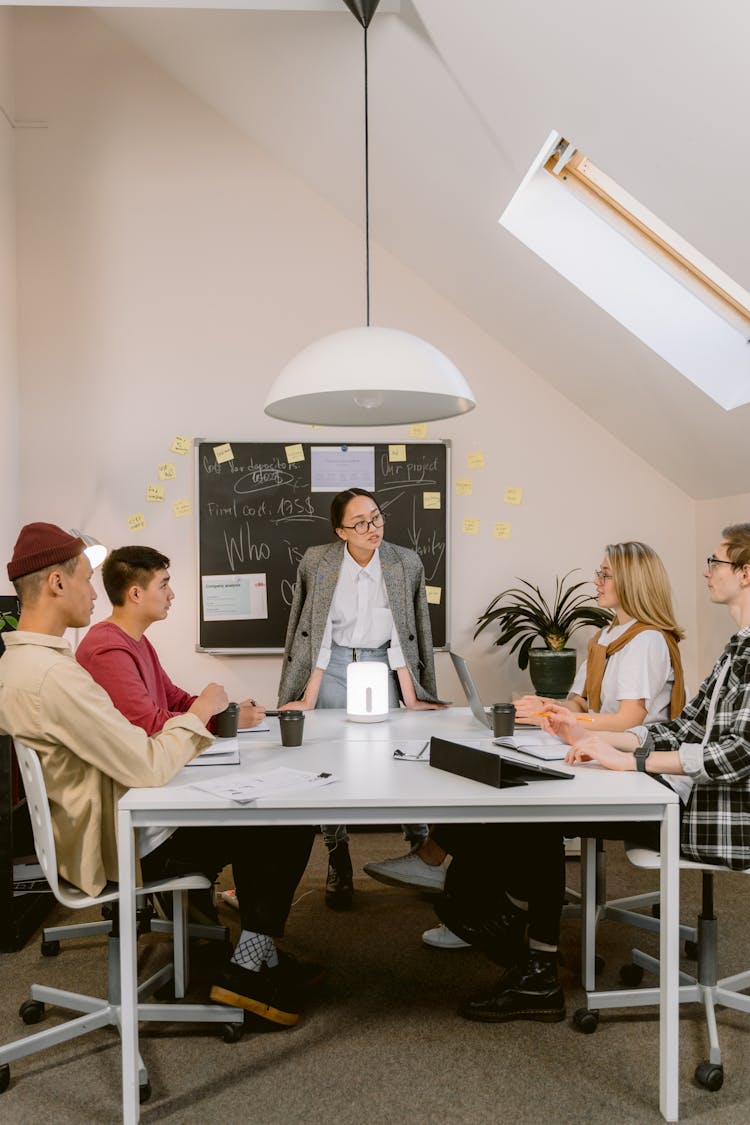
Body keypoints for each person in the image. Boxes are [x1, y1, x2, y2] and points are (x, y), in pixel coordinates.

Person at [0, 523, 315, 1029]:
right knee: (283, 818)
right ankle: (248, 968)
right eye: (85, 577)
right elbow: (145, 760)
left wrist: (203, 713)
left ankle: (259, 955)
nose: (91, 590)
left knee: (264, 814)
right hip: (117, 844)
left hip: (97, 822)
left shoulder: (26, 663)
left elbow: (150, 723)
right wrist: (208, 710)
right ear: (57, 583)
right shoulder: (55, 676)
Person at [437, 524, 750, 1025]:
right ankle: (515, 935)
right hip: (669, 787)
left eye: (715, 562)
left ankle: (528, 956)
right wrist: (590, 737)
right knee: (524, 811)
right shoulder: (736, 647)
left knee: (537, 818)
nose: (706, 571)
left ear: (745, 573)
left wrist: (630, 757)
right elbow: (681, 726)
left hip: (702, 811)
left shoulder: (698, 647)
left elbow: (736, 753)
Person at [368, 541, 686, 951]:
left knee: (525, 813)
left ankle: (481, 910)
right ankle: (472, 906)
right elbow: (580, 702)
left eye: (606, 574)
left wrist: (567, 721)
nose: (597, 580)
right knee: (500, 791)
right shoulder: (607, 635)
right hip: (600, 759)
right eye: (600, 572)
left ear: (632, 581)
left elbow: (630, 720)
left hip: (640, 781)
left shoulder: (647, 641)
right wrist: (548, 707)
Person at [277, 487, 446, 908]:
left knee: (403, 757)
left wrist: (412, 697)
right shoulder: (318, 562)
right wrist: (308, 697)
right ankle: (339, 855)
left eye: (376, 517)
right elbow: (314, 635)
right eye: (360, 523)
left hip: (383, 667)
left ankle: (421, 850)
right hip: (333, 667)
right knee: (329, 767)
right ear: (341, 531)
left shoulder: (405, 562)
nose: (373, 528)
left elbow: (406, 637)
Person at [75, 545, 266, 737]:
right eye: (163, 585)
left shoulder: (137, 640)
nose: (171, 594)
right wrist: (218, 718)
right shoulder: (108, 650)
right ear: (135, 594)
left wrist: (227, 711)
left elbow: (174, 700)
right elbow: (150, 726)